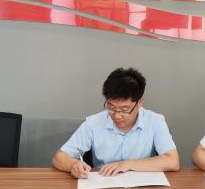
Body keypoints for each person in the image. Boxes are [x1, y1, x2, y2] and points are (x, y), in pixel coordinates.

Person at [52, 68, 180, 178]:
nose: (117, 116)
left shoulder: (155, 121)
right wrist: (74, 165)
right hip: (102, 185)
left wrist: (127, 164)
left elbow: (173, 161)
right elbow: (59, 158)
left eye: (124, 110)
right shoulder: (93, 123)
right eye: (111, 107)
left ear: (139, 103)